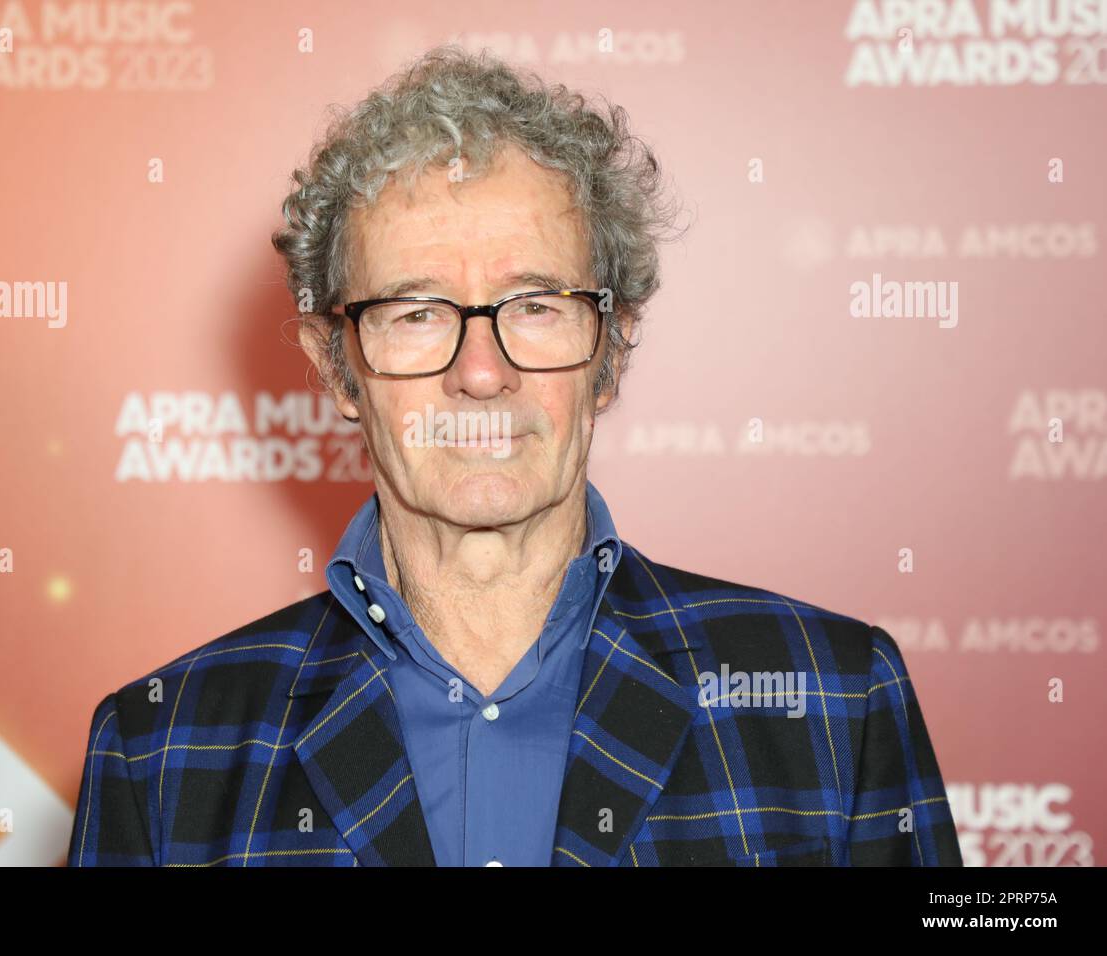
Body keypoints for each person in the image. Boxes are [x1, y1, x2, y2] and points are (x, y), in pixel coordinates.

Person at [68, 45, 961, 867]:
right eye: (417, 313)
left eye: (535, 305)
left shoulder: (835, 704)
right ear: (336, 370)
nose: (482, 373)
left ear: (611, 349)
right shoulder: (160, 751)